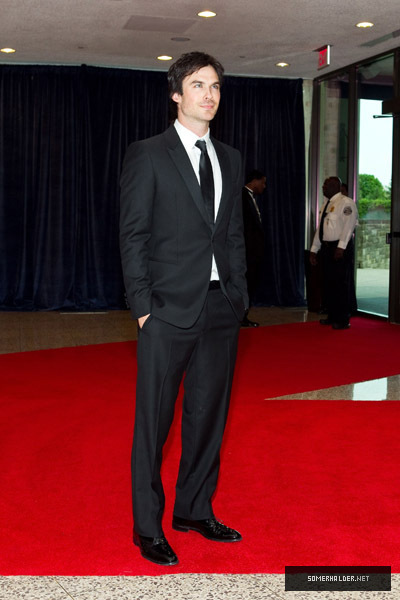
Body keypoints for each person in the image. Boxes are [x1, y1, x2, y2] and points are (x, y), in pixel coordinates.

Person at [119, 52, 248, 566]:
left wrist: (238, 295)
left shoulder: (231, 158)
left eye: (215, 86)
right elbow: (132, 235)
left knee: (208, 417)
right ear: (176, 93)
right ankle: (147, 526)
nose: (209, 95)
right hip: (166, 311)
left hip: (220, 309)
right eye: (198, 86)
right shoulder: (148, 154)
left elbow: (232, 234)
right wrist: (143, 308)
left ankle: (194, 509)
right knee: (154, 423)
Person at [309, 176, 358, 329]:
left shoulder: (346, 202)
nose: (323, 187)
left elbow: (349, 226)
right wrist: (314, 250)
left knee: (340, 285)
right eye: (323, 185)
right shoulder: (327, 204)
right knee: (328, 283)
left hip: (339, 249)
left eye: (326, 185)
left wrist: (341, 247)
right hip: (326, 248)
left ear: (336, 186)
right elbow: (321, 230)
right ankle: (332, 315)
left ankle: (343, 319)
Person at [241, 170, 266, 327]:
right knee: (246, 284)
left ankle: (244, 315)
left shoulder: (250, 197)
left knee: (250, 284)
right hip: (246, 252)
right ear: (254, 181)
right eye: (262, 182)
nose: (264, 186)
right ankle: (241, 316)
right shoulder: (242, 196)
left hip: (252, 251)